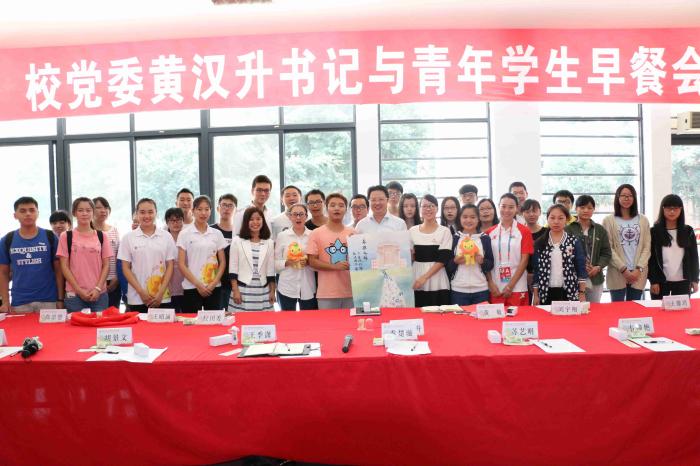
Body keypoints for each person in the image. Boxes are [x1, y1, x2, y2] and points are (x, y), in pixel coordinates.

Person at [0, 196, 64, 313]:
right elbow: (3, 273)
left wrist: (60, 298)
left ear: (37, 213)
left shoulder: (50, 237)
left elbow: (59, 270)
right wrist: (5, 301)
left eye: (32, 210)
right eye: (23, 211)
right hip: (20, 302)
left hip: (49, 300)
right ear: (15, 215)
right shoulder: (7, 240)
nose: (28, 214)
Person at [118, 198, 176, 313]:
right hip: (137, 297)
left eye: (150, 212)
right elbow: (125, 268)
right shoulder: (128, 238)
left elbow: (170, 266)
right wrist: (141, 292)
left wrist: (161, 293)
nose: (147, 216)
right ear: (137, 214)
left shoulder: (166, 236)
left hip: (162, 296)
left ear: (156, 213)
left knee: (164, 325)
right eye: (142, 212)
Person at [57, 197, 113, 312]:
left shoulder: (102, 236)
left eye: (88, 210)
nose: (84, 213)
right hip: (74, 295)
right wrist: (79, 290)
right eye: (80, 210)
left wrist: (98, 288)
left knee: (99, 323)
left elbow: (106, 265)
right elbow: (64, 266)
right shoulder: (66, 236)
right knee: (76, 324)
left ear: (93, 212)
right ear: (74, 213)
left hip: (99, 294)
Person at [177, 195, 227, 311]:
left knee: (214, 320)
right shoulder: (184, 234)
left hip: (213, 287)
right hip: (191, 286)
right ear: (193, 210)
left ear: (210, 211)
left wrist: (214, 283)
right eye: (199, 209)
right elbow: (181, 264)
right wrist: (198, 285)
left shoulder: (217, 234)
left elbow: (222, 262)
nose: (203, 213)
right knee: (192, 321)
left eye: (206, 209)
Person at [602, 184, 651, 302]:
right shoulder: (608, 220)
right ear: (617, 197)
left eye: (630, 196)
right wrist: (624, 270)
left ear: (634, 198)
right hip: (617, 272)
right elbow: (608, 248)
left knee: (634, 308)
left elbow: (647, 247)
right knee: (617, 308)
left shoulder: (643, 220)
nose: (626, 198)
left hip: (638, 273)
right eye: (623, 195)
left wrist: (638, 269)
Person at [532, 204, 588, 305]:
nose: (556, 221)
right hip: (545, 292)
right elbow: (536, 270)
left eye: (560, 218)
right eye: (552, 218)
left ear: (566, 220)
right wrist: (536, 295)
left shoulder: (573, 241)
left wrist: (582, 292)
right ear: (547, 219)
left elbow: (581, 268)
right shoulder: (539, 242)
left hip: (569, 291)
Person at [307, 193, 355, 310]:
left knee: (351, 322)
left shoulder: (353, 233)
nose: (337, 208)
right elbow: (312, 261)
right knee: (327, 323)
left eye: (341, 205)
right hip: (326, 293)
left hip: (352, 291)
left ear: (346, 209)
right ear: (326, 208)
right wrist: (335, 266)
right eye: (332, 205)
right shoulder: (316, 233)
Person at [485, 193, 533, 306]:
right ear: (498, 207)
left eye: (511, 207)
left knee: (519, 317)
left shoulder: (524, 231)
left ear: (517, 208)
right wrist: (490, 283)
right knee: (496, 317)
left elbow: (524, 260)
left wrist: (510, 286)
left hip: (518, 286)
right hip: (496, 287)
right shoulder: (489, 232)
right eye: (503, 206)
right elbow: (486, 261)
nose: (506, 210)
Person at [648, 194, 699, 299]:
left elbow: (694, 257)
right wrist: (653, 281)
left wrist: (695, 279)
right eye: (668, 208)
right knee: (659, 309)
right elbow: (651, 259)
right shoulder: (654, 231)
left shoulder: (688, 231)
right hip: (661, 282)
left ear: (681, 209)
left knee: (682, 309)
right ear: (662, 209)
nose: (672, 211)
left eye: (675, 208)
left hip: (683, 282)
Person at [565, 195, 612, 303]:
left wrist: (598, 267)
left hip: (596, 278)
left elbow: (606, 253)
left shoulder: (600, 230)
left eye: (589, 208)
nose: (586, 210)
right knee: (576, 309)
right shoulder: (568, 229)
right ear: (576, 209)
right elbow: (565, 254)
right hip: (574, 278)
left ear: (594, 209)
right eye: (582, 207)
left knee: (595, 309)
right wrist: (580, 266)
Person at [229, 207, 276, 311]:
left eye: (258, 219)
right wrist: (235, 290)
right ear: (246, 222)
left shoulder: (269, 242)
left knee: (263, 320)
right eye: (251, 219)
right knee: (241, 320)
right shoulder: (237, 241)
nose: (255, 222)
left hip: (263, 290)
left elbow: (270, 271)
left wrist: (272, 291)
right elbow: (233, 269)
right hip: (242, 290)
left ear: (263, 221)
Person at [445, 204, 494, 305]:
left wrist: (482, 261)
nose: (468, 220)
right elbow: (447, 266)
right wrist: (455, 261)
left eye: (472, 217)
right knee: (461, 316)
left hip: (481, 290)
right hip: (458, 290)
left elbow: (490, 264)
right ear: (460, 218)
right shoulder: (454, 238)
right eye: (465, 217)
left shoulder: (485, 238)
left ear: (478, 219)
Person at [409, 195, 453, 306]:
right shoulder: (412, 231)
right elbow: (410, 257)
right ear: (420, 209)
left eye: (432, 206)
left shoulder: (445, 231)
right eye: (424, 206)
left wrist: (424, 277)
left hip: (438, 279)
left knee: (439, 313)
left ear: (437, 208)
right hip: (417, 276)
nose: (428, 209)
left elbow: (443, 259)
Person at [274, 203, 317, 310]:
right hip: (287, 286)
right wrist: (288, 262)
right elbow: (275, 263)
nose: (298, 217)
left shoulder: (313, 235)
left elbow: (318, 261)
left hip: (307, 285)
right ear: (290, 216)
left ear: (306, 216)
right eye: (295, 214)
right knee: (287, 318)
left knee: (309, 318)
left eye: (301, 214)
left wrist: (308, 262)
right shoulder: (282, 236)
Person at [93, 196, 121, 308]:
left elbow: (119, 255)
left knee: (113, 313)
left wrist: (117, 277)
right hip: (93, 281)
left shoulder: (114, 230)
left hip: (113, 280)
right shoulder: (87, 231)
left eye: (106, 207)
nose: (103, 210)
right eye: (99, 208)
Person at [211, 193, 237, 309]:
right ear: (218, 208)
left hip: (235, 283)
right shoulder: (210, 230)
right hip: (215, 282)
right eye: (224, 205)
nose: (226, 208)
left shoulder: (239, 232)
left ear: (235, 210)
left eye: (230, 206)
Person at [521, 199, 547, 297]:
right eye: (527, 212)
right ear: (522, 213)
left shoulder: (547, 232)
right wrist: (526, 273)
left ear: (540, 212)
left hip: (543, 275)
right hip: (521, 276)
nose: (531, 214)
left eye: (534, 211)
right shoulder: (518, 232)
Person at [164, 207, 186, 312]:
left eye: (179, 220)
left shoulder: (188, 238)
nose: (176, 223)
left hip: (186, 286)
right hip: (168, 286)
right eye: (172, 220)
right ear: (167, 222)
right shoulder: (163, 240)